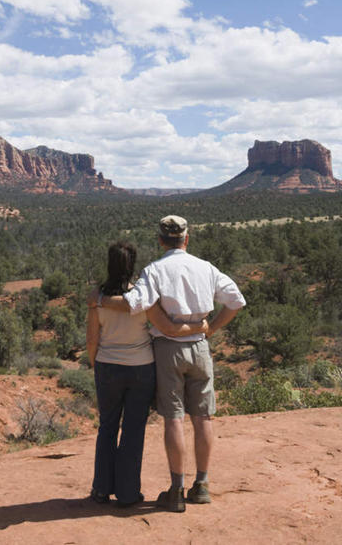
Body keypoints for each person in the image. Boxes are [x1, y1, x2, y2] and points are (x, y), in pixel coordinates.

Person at [89, 216, 245, 513]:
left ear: (161, 240)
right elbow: (236, 301)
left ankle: (176, 489)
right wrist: (210, 328)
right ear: (187, 239)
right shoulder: (206, 268)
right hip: (200, 348)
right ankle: (202, 485)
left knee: (174, 418)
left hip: (166, 350)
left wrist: (98, 299)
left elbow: (135, 303)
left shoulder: (155, 270)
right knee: (203, 417)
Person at [87, 240, 208, 508]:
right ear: (132, 266)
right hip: (141, 369)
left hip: (108, 366)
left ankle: (101, 490)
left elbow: (92, 339)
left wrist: (96, 364)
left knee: (107, 427)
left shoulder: (97, 298)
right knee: (133, 430)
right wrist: (200, 327)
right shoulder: (144, 298)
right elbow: (166, 327)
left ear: (109, 264)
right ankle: (129, 495)